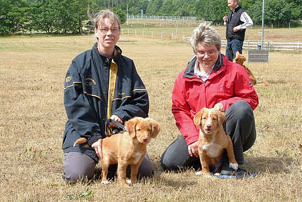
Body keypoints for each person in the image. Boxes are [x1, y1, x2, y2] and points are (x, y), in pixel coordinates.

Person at [62, 9, 153, 184]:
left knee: (145, 172)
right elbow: (74, 105)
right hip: (84, 132)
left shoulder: (128, 65)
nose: (109, 33)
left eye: (114, 29)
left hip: (117, 134)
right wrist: (94, 137)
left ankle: (112, 162)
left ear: (119, 33)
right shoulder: (80, 63)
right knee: (76, 175)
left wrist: (123, 113)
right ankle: (88, 160)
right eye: (104, 29)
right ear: (96, 31)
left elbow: (141, 101)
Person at [160, 23, 259, 175]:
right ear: (194, 51)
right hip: (201, 131)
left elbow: (251, 98)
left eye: (211, 52)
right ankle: (209, 161)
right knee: (170, 162)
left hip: (229, 130)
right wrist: (192, 138)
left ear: (219, 49)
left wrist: (225, 104)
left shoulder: (235, 70)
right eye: (201, 52)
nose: (206, 57)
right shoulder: (184, 77)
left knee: (240, 108)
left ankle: (231, 164)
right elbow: (179, 110)